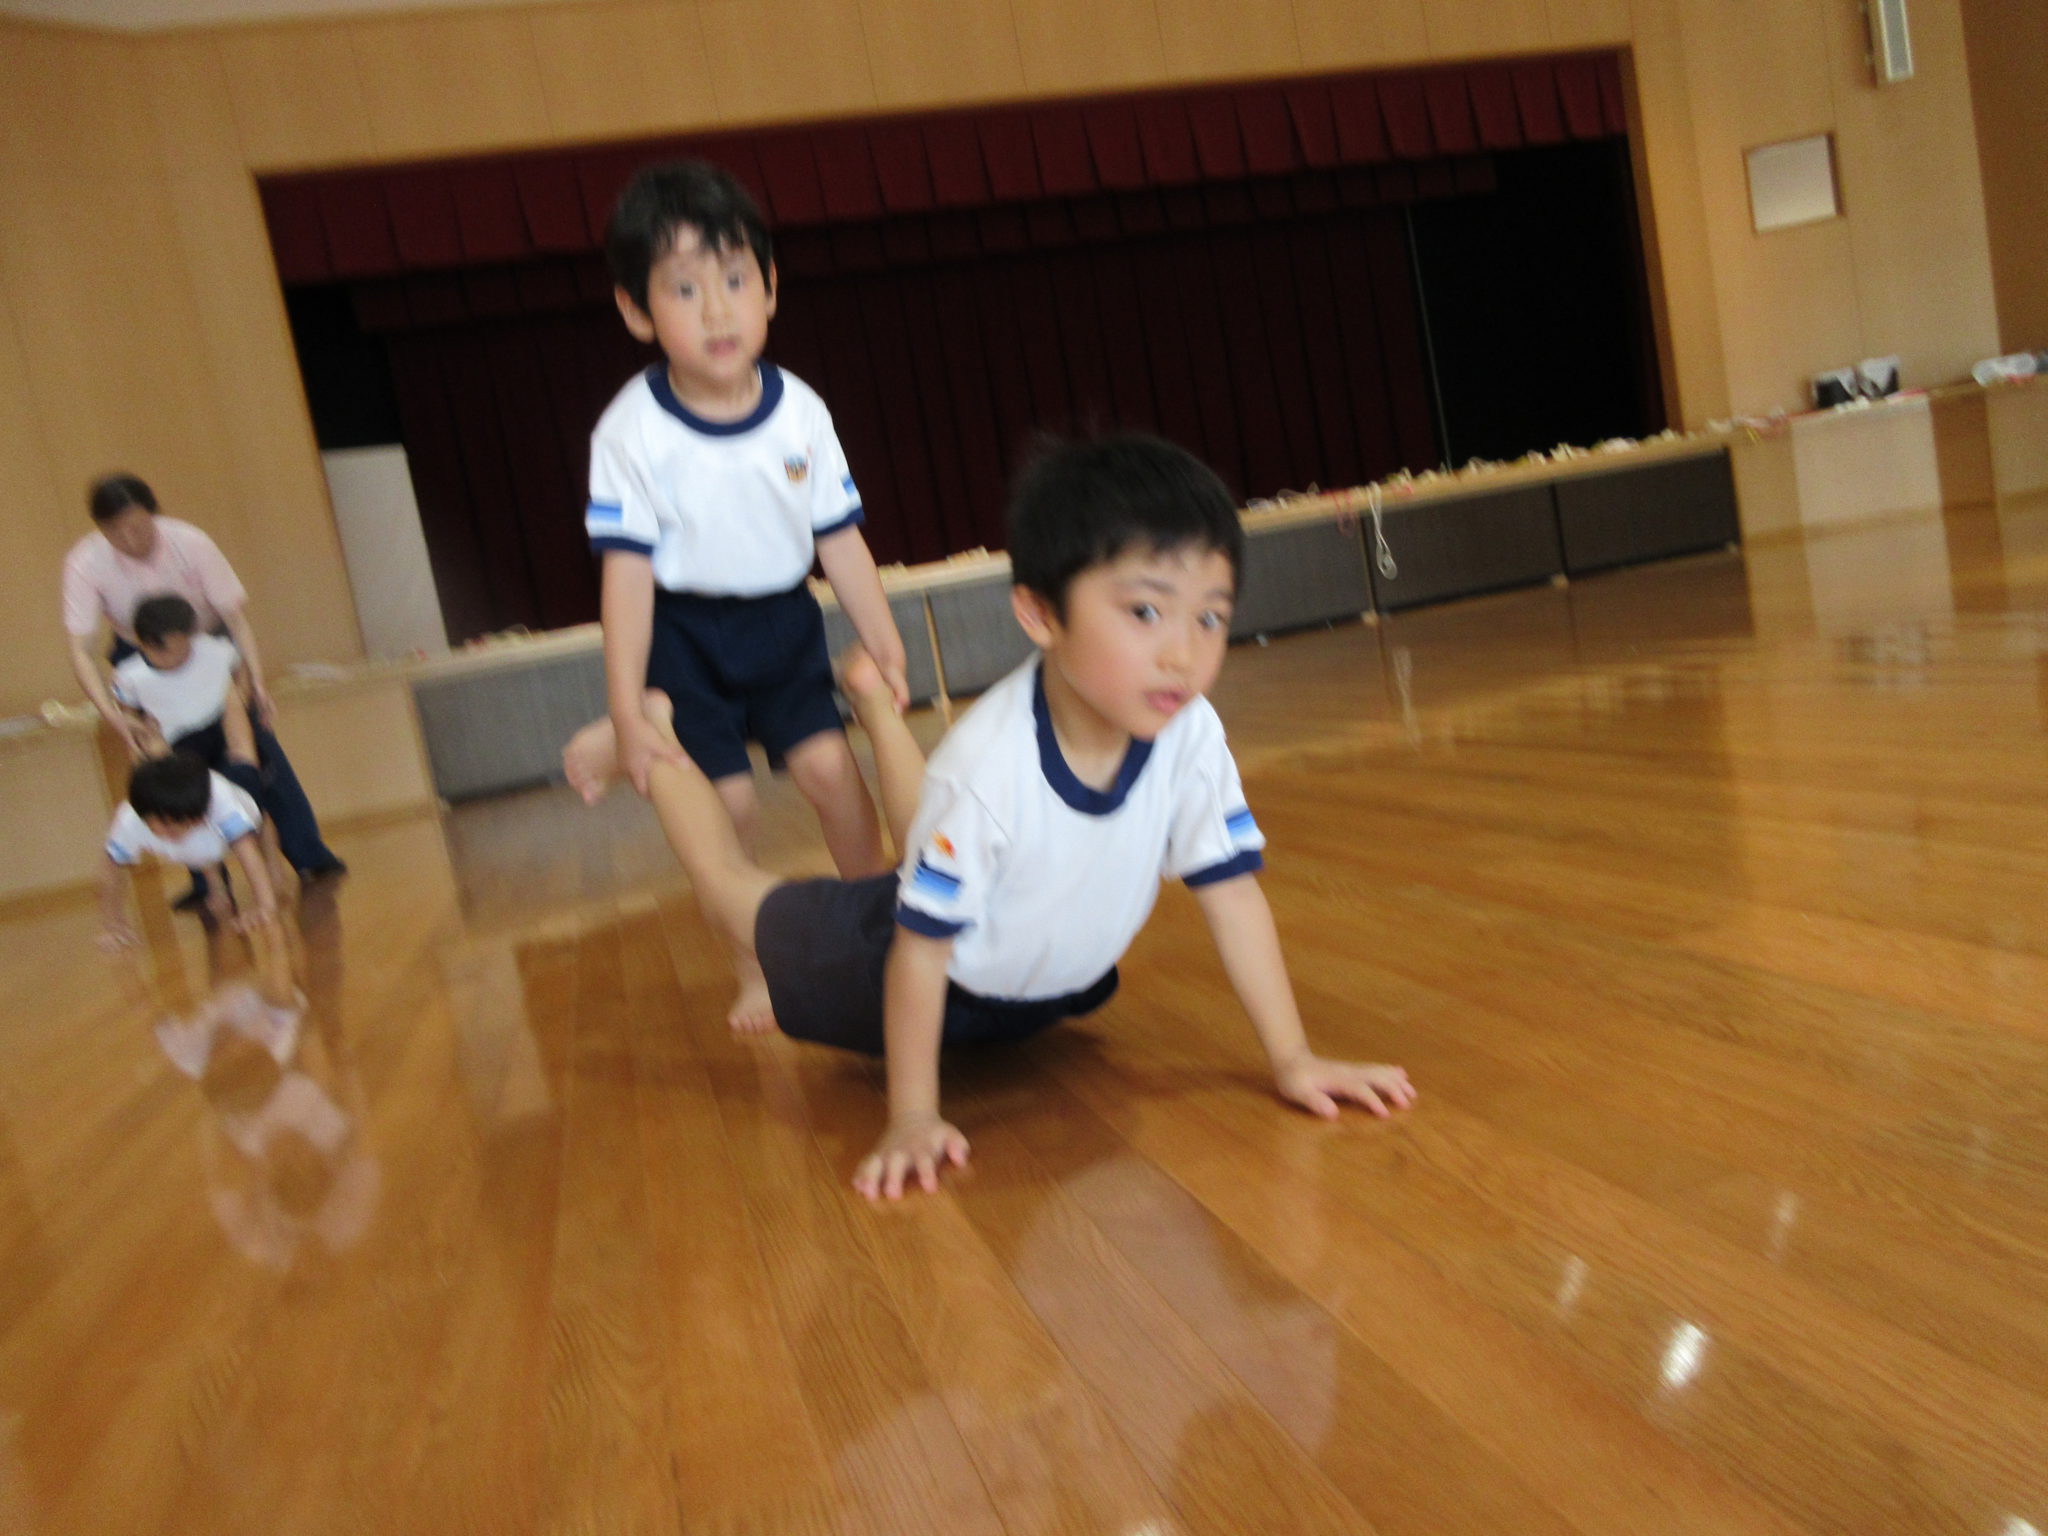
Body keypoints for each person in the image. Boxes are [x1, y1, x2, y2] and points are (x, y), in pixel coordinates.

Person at [590, 434, 1415, 1201]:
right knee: (733, 888)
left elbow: (1233, 895)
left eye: (1211, 616)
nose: (1184, 653)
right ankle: (654, 738)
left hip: (1045, 992)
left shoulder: (1188, 731)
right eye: (1145, 612)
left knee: (947, 835)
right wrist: (913, 1112)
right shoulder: (990, 766)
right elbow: (918, 951)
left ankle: (873, 704)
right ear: (1040, 614)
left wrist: (1293, 1057)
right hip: (896, 962)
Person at [559, 159, 910, 1033]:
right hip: (684, 631)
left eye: (734, 280)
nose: (717, 308)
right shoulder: (631, 433)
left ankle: (883, 928)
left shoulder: (801, 414)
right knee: (734, 807)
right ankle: (757, 964)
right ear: (638, 311)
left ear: (770, 289)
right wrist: (624, 699)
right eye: (684, 288)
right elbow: (627, 578)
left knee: (832, 771)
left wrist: (884, 634)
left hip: (782, 622)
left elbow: (840, 540)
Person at [62, 474, 346, 895]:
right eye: (115, 532)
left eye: (138, 526)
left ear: (153, 514)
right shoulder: (85, 562)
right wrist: (115, 718)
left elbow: (235, 621)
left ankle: (308, 854)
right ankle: (207, 882)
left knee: (257, 755)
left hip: (208, 645)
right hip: (141, 654)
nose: (129, 538)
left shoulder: (190, 542)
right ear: (100, 531)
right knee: (167, 771)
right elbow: (80, 650)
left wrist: (258, 684)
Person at [99, 753, 280, 948]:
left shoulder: (222, 798)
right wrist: (112, 924)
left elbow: (247, 851)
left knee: (260, 816)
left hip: (246, 804)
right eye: (168, 825)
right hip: (206, 845)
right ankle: (215, 883)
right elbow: (110, 871)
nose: (177, 831)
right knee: (198, 852)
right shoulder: (129, 820)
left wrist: (265, 905)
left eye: (187, 823)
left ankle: (264, 866)